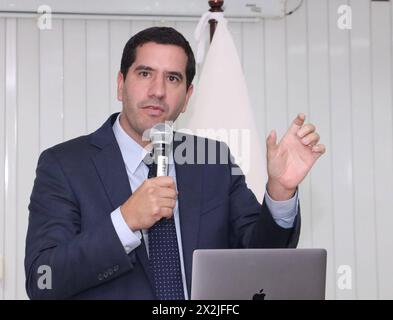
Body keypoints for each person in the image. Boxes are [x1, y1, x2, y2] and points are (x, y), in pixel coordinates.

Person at [25, 27, 325, 300]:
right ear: (121, 85)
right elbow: (44, 281)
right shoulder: (64, 165)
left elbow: (259, 261)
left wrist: (280, 191)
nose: (157, 90)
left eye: (172, 78)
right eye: (144, 74)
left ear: (186, 97)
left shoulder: (214, 160)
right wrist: (124, 222)